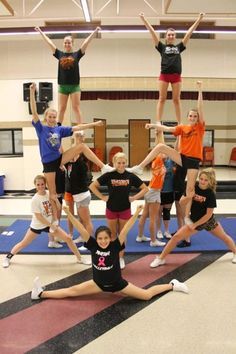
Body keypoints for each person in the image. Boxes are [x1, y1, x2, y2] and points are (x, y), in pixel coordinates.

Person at [31, 205, 189, 300]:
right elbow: (80, 228)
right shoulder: (92, 245)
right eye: (100, 238)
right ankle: (40, 294)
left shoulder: (115, 245)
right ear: (97, 239)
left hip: (118, 284)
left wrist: (136, 213)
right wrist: (68, 214)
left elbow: (126, 228)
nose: (103, 241)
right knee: (71, 292)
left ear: (110, 238)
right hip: (98, 284)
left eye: (106, 238)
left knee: (146, 295)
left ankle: (172, 285)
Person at [30, 83, 113, 223]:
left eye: (54, 117)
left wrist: (93, 125)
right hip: (49, 165)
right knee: (54, 195)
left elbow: (77, 127)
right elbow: (34, 112)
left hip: (59, 159)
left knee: (81, 147)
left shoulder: (59, 129)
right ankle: (54, 225)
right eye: (50, 117)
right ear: (46, 118)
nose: (52, 119)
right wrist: (32, 93)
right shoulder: (41, 129)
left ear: (56, 118)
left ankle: (103, 166)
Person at [128, 81, 205, 226]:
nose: (193, 118)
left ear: (198, 118)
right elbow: (167, 129)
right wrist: (153, 126)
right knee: (161, 146)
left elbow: (200, 107)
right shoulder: (182, 127)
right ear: (188, 117)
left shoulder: (200, 128)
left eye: (195, 116)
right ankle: (139, 166)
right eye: (191, 116)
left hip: (194, 161)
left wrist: (200, 90)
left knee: (190, 189)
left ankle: (188, 215)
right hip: (182, 157)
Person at [149, 168, 236, 267]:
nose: (202, 182)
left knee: (224, 237)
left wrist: (194, 225)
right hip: (194, 219)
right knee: (176, 237)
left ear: (210, 181)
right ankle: (161, 258)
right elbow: (182, 203)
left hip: (208, 221)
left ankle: (235, 253)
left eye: (205, 180)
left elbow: (208, 214)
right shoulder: (194, 187)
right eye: (201, 179)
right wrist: (187, 209)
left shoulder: (210, 194)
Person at [2, 175, 91, 268]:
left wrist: (56, 212)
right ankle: (8, 258)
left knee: (68, 239)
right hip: (37, 225)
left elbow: (56, 208)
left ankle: (80, 258)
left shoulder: (49, 194)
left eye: (42, 184)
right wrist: (51, 225)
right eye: (38, 184)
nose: (40, 186)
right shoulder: (35, 200)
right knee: (24, 243)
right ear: (35, 185)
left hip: (50, 224)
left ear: (45, 184)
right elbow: (39, 217)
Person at [139, 12, 204, 124]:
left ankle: (179, 122)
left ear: (175, 37)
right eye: (169, 34)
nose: (171, 36)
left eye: (173, 35)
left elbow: (188, 34)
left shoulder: (179, 47)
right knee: (162, 98)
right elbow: (153, 33)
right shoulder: (162, 47)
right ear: (166, 36)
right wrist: (144, 20)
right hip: (164, 75)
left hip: (176, 76)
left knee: (176, 100)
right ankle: (158, 120)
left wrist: (198, 20)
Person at [89, 152, 148, 269]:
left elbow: (145, 188)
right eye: (118, 163)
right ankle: (113, 256)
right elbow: (92, 186)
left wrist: (134, 198)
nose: (121, 165)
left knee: (122, 234)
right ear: (114, 163)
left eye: (123, 162)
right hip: (111, 208)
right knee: (112, 235)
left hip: (125, 209)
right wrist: (102, 197)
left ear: (126, 163)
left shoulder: (130, 175)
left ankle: (120, 257)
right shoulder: (109, 175)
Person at [35, 26, 100, 124]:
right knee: (62, 108)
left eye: (69, 42)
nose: (67, 44)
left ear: (72, 43)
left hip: (74, 86)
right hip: (63, 86)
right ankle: (58, 127)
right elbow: (49, 43)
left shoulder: (77, 54)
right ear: (63, 44)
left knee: (76, 108)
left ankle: (80, 127)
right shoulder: (59, 54)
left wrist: (94, 31)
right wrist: (40, 31)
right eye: (65, 42)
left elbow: (86, 43)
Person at [136, 131, 166, 247]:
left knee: (144, 215)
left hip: (151, 189)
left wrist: (157, 134)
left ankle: (140, 236)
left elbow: (158, 147)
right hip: (154, 191)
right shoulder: (157, 160)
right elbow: (161, 147)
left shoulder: (155, 161)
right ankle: (153, 241)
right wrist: (160, 134)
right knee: (153, 218)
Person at [64, 130, 93, 242]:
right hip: (72, 193)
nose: (72, 154)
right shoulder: (69, 163)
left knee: (85, 219)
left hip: (81, 194)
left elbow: (78, 150)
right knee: (73, 215)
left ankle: (88, 240)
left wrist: (78, 138)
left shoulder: (80, 163)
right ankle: (78, 235)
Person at [156, 154, 175, 240]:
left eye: (165, 153)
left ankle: (166, 231)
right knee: (159, 212)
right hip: (159, 192)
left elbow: (175, 151)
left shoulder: (171, 161)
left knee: (167, 212)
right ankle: (158, 230)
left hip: (169, 191)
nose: (163, 155)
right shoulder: (157, 162)